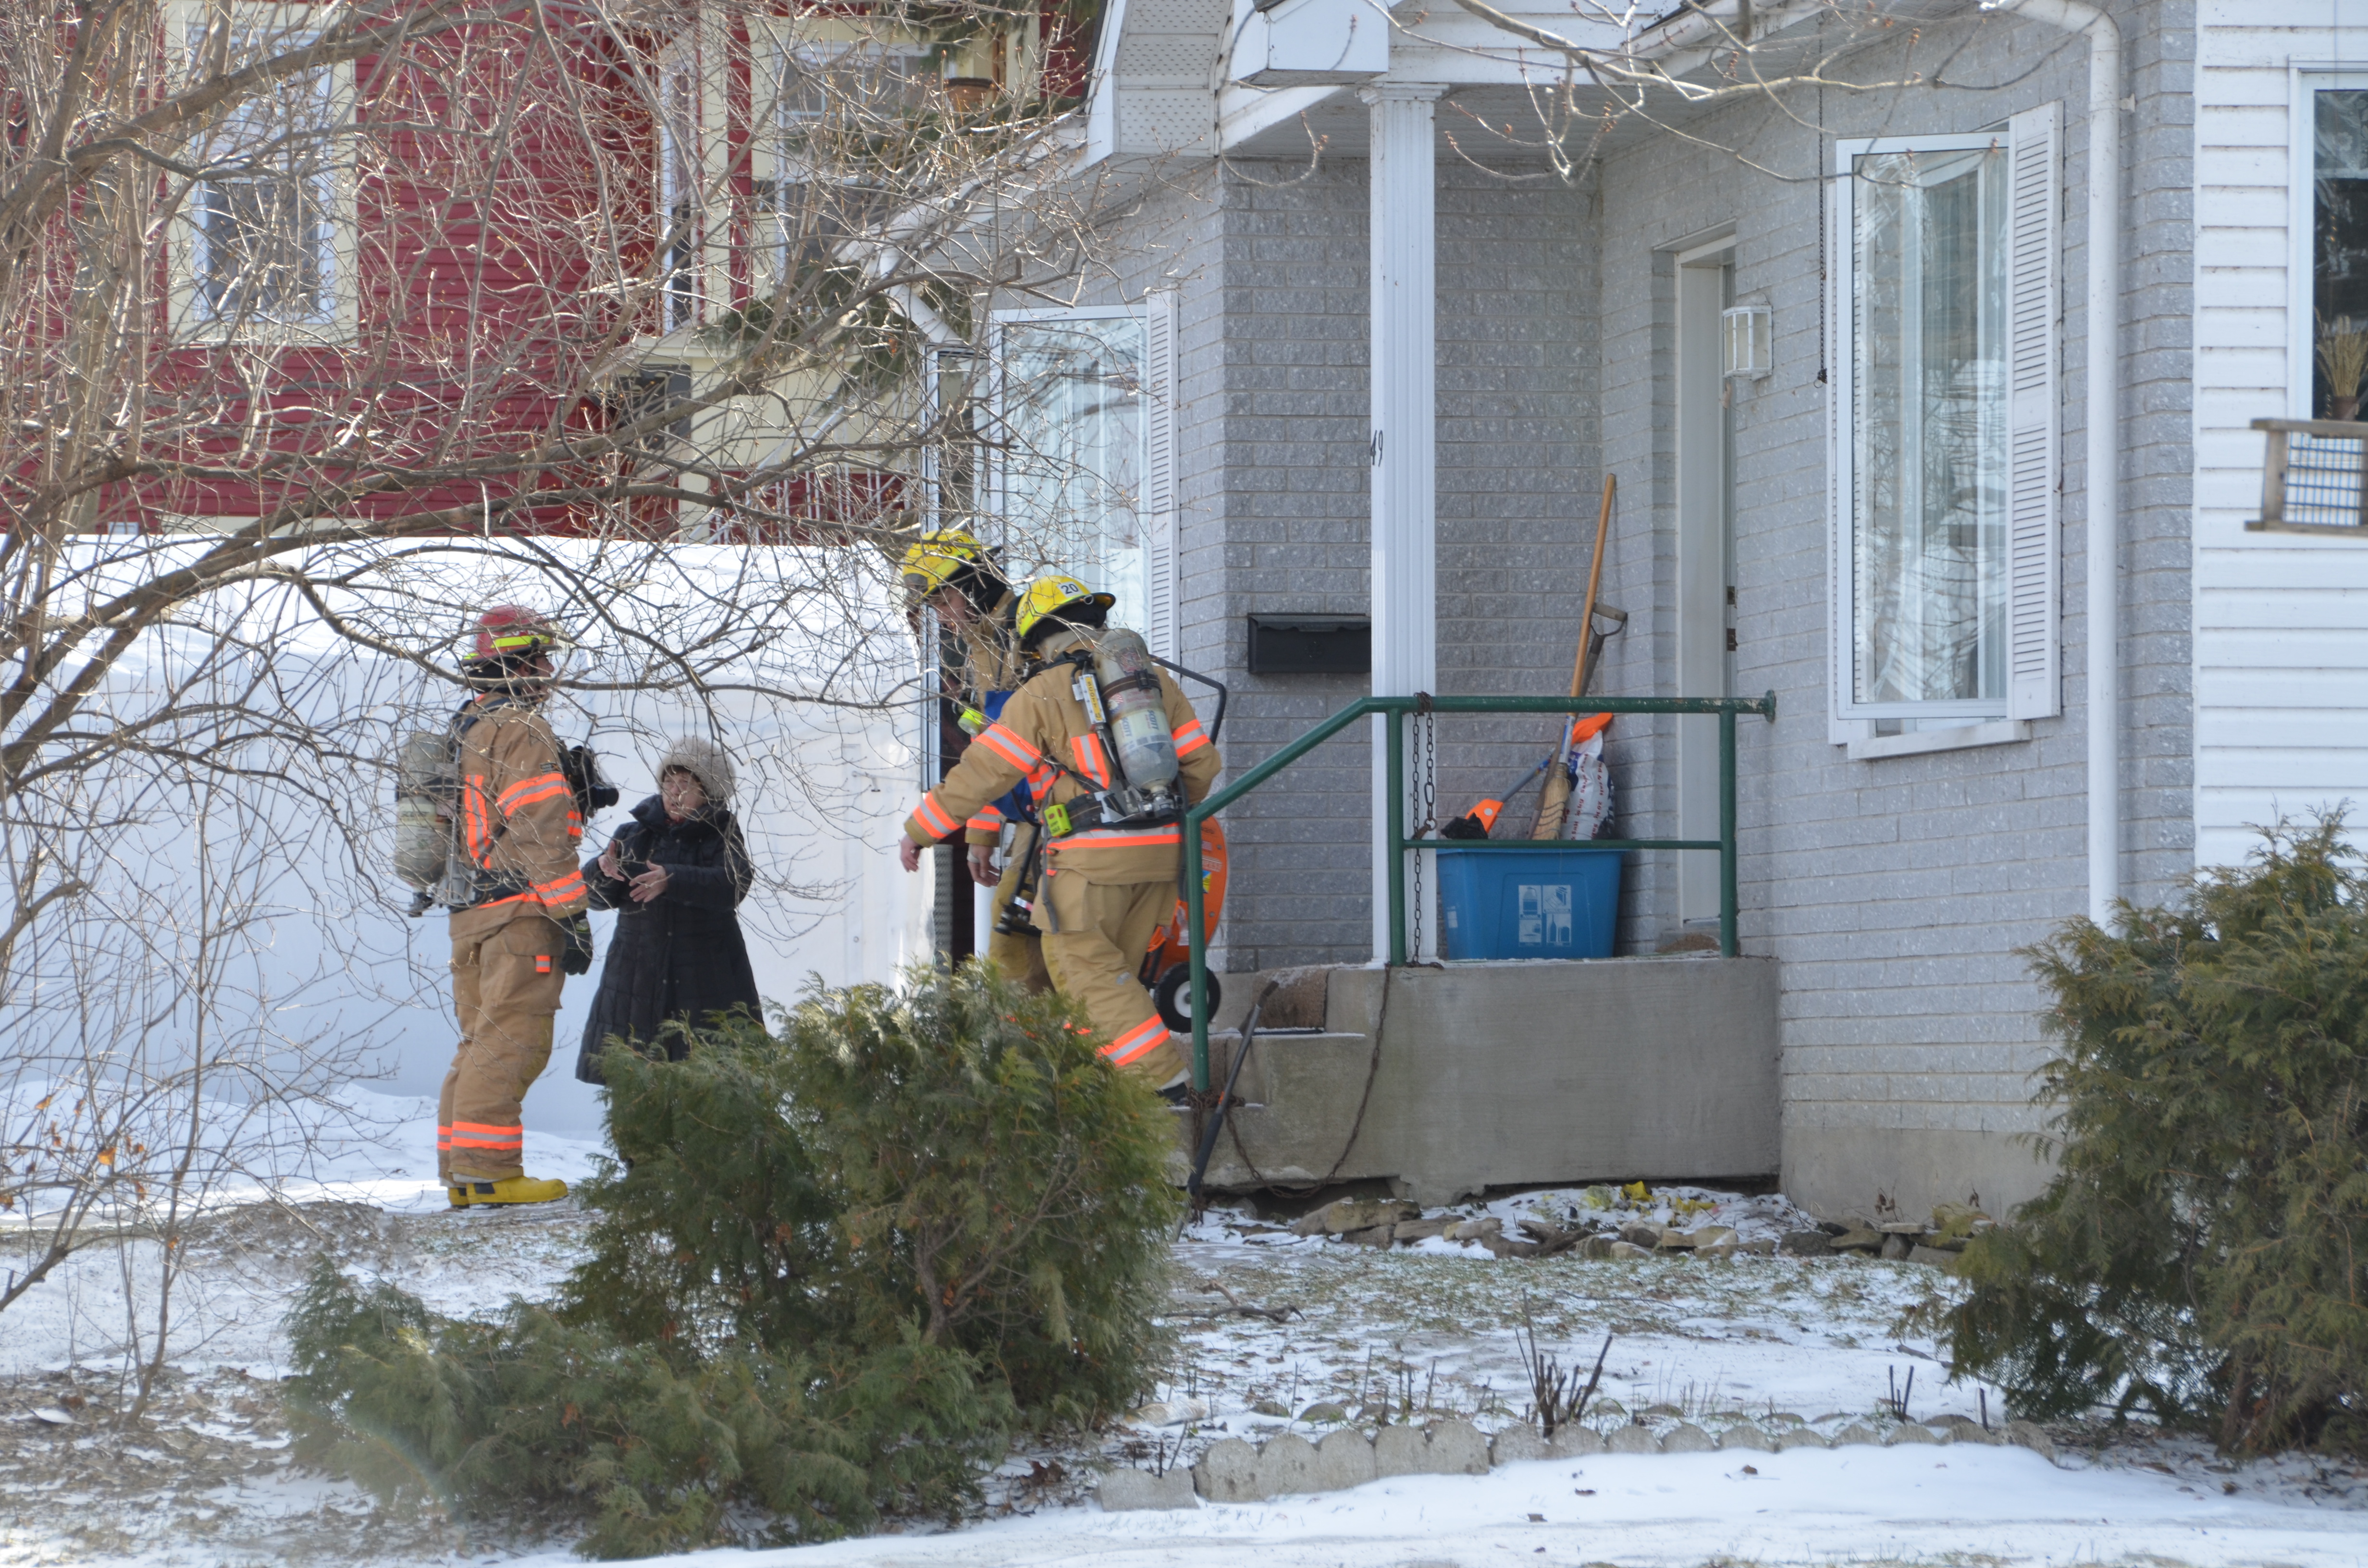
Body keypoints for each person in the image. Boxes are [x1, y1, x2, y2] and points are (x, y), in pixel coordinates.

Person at [897, 576, 1221, 1091]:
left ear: (1037, 638)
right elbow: (1201, 766)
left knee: (1083, 971)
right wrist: (1156, 820)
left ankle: (1167, 1086)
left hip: (1090, 863)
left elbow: (985, 772)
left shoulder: (1042, 692)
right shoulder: (1154, 681)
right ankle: (1108, 1098)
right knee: (1115, 979)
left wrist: (922, 829)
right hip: (1163, 858)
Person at [439, 606, 594, 1208]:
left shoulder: (468, 727)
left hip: (471, 914)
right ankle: (490, 1175)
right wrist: (572, 915)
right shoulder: (522, 729)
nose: (549, 671)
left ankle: (464, 1175)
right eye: (541, 659)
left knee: (479, 1041)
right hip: (519, 915)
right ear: (517, 663)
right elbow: (540, 835)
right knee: (511, 1043)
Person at [900, 528, 1053, 993]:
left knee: (1021, 952)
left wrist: (927, 829)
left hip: (1062, 816)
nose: (941, 618)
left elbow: (1006, 754)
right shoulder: (983, 647)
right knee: (1018, 945)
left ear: (970, 586)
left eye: (942, 601)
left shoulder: (1025, 635)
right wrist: (982, 836)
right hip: (1036, 819)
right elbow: (990, 750)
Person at [573, 737, 760, 1084]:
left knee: (706, 1088)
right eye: (668, 782)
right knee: (636, 1088)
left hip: (706, 982)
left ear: (708, 793)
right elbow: (595, 898)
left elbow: (734, 884)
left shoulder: (721, 834)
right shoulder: (633, 834)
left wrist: (672, 879)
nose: (674, 792)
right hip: (635, 982)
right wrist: (601, 871)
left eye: (685, 784)